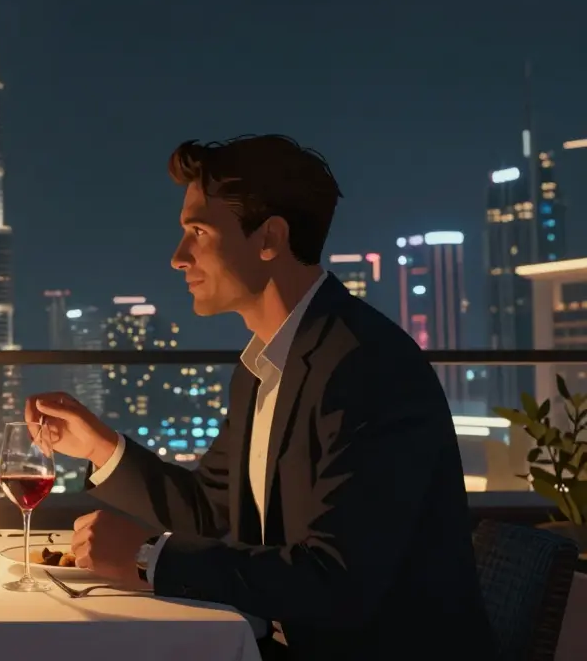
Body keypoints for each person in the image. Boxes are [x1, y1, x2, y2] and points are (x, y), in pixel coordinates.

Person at [27, 136, 493, 661]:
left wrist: (144, 557)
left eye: (198, 232)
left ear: (269, 237)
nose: (179, 257)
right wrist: (100, 448)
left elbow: (337, 581)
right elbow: (210, 509)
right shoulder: (263, 366)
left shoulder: (365, 366)